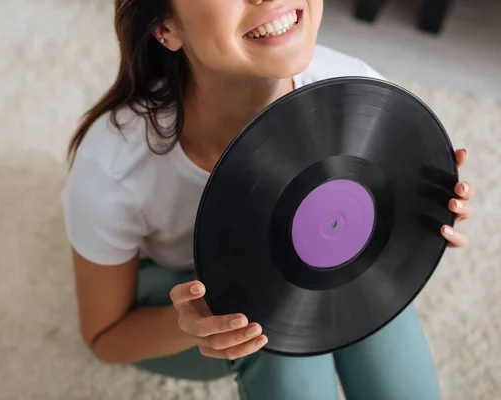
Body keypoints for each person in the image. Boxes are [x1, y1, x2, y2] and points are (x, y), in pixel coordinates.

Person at [61, 0, 476, 398]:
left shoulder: (360, 92)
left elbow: (373, 224)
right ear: (166, 27)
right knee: (270, 329)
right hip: (177, 291)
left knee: (378, 314)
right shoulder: (114, 167)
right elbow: (104, 338)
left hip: (307, 268)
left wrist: (421, 218)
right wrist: (189, 326)